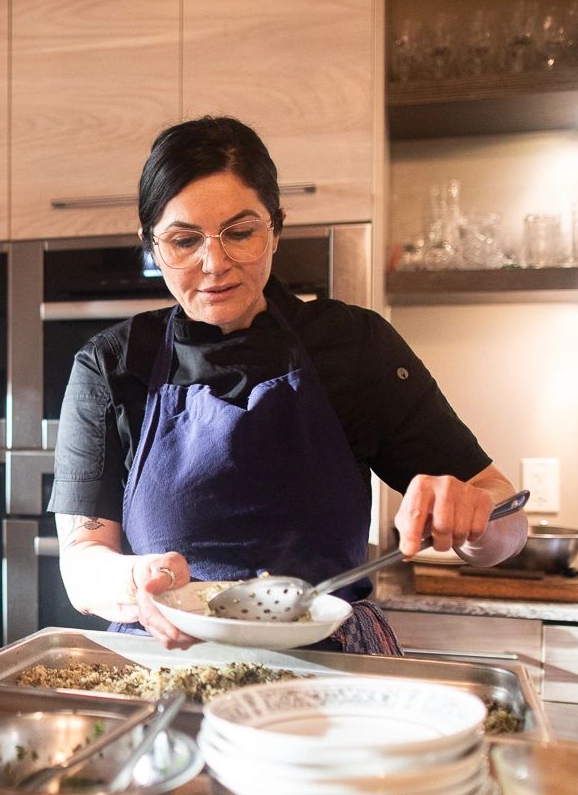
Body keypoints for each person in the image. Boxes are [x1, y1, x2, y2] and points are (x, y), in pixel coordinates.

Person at [48, 116, 526, 653]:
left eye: (241, 233)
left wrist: (477, 518)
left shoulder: (356, 346)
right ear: (152, 246)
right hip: (164, 658)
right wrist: (138, 585)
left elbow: (509, 522)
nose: (214, 264)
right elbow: (82, 564)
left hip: (332, 664)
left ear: (276, 227)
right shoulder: (110, 365)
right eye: (184, 241)